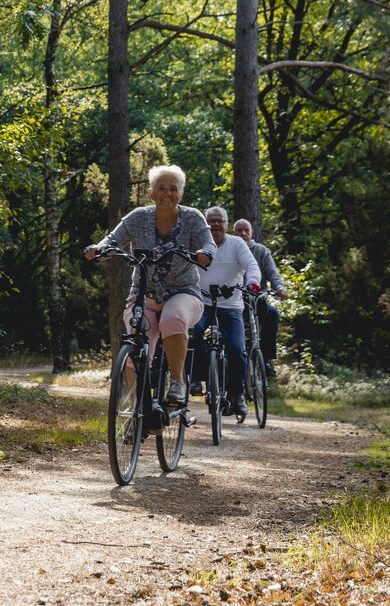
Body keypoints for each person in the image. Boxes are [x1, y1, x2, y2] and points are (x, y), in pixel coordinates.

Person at [84, 165, 216, 407]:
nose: (167, 193)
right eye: (161, 188)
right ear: (151, 193)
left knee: (172, 318)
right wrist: (98, 249)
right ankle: (138, 408)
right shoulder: (138, 217)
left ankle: (177, 382)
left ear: (181, 194)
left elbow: (208, 242)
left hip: (184, 292)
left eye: (173, 189)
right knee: (136, 339)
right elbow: (113, 239)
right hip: (144, 293)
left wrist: (205, 252)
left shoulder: (192, 217)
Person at [193, 206, 261, 417]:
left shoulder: (237, 244)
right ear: (205, 224)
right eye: (211, 221)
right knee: (193, 334)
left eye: (219, 221)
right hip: (201, 302)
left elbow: (251, 265)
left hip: (230, 306)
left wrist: (252, 282)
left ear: (226, 224)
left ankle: (237, 395)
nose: (215, 225)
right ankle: (196, 379)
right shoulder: (198, 243)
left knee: (236, 348)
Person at [234, 218, 288, 376]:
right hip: (234, 299)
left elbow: (273, 274)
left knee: (272, 314)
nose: (243, 233)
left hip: (257, 299)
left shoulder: (261, 251)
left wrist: (280, 288)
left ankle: (266, 359)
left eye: (246, 230)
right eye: (239, 230)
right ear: (233, 232)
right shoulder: (230, 248)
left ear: (252, 233)